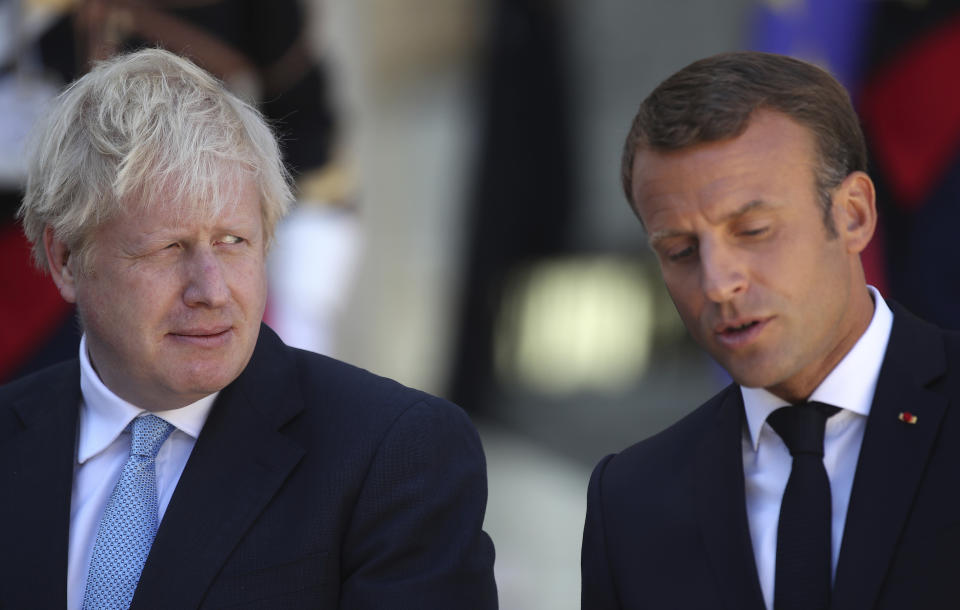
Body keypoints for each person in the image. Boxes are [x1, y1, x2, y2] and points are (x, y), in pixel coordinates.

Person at [0, 48, 497, 609]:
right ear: (66, 260)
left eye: (234, 242)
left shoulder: (394, 455)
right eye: (168, 249)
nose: (211, 290)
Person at [581, 51, 960, 610]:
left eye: (753, 230)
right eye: (681, 252)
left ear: (853, 214)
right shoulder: (631, 499)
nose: (717, 282)